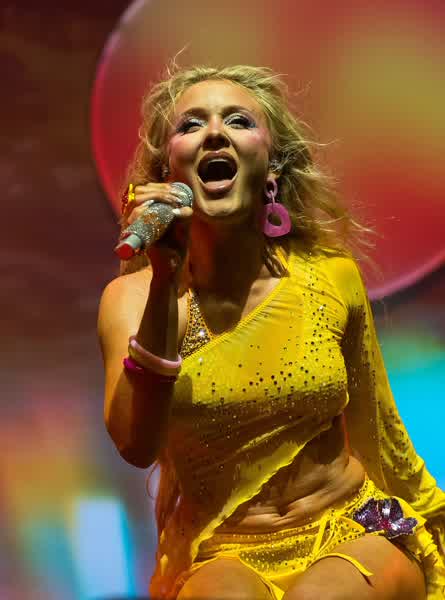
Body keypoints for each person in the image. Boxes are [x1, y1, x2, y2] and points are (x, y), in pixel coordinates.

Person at [97, 65, 445, 600]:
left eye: (238, 120)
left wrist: (436, 524)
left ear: (272, 166)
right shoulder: (134, 299)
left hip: (352, 529)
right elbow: (135, 445)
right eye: (191, 124)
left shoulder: (330, 276)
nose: (215, 132)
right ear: (167, 172)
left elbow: (382, 437)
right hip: (223, 549)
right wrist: (167, 280)